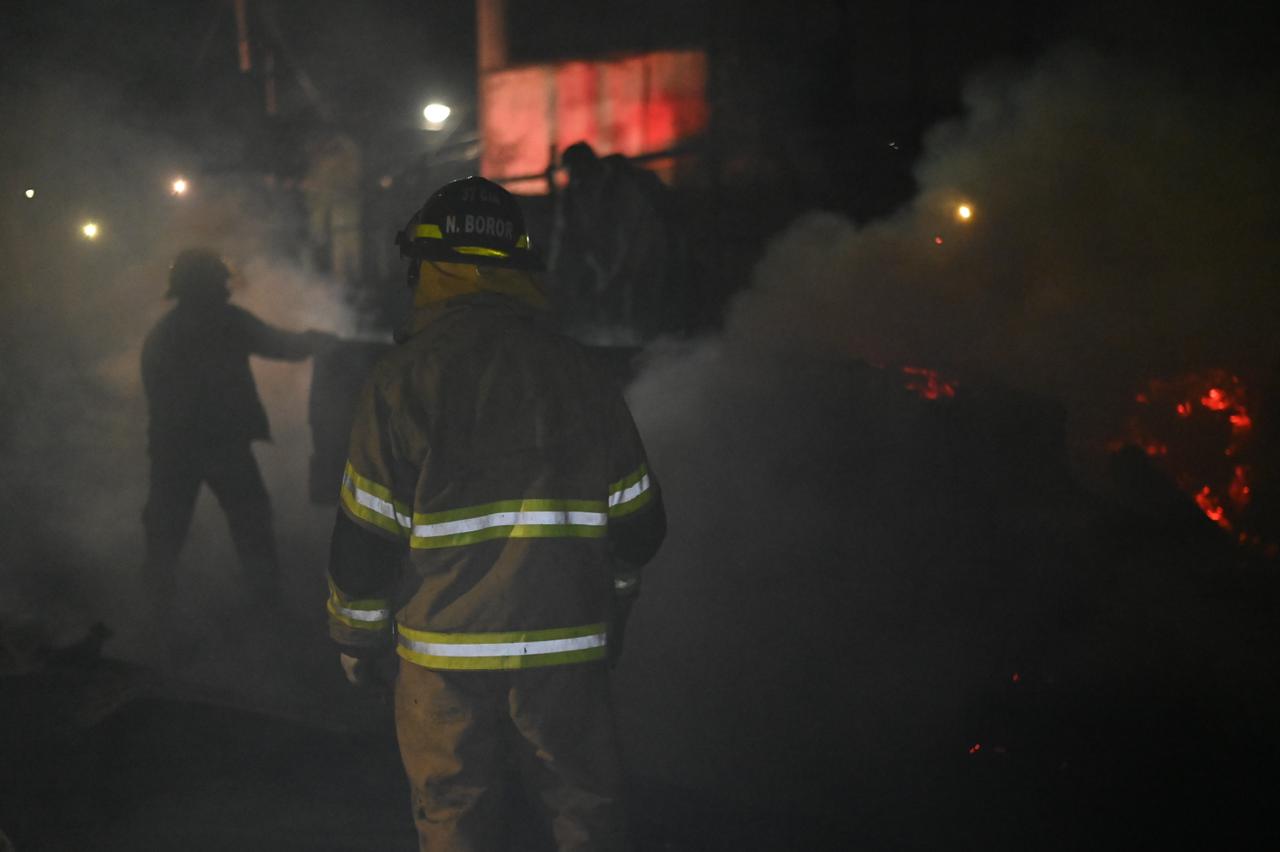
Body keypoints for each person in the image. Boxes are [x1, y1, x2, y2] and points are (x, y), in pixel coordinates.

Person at [326, 176, 666, 851]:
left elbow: (365, 539)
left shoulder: (400, 380)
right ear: (520, 267)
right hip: (566, 647)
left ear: (425, 267)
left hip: (442, 659)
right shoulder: (580, 371)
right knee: (587, 811)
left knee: (454, 816)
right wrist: (616, 601)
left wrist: (355, 638)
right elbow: (640, 525)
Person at [141, 248, 334, 620]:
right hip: (223, 444)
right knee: (251, 524)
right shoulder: (226, 322)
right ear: (210, 284)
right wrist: (319, 341)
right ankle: (267, 610)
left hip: (174, 449)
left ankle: (156, 615)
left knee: (165, 535)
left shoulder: (163, 334)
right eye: (219, 280)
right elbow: (281, 345)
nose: (225, 287)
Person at [549, 141, 684, 344]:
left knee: (640, 307)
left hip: (646, 256)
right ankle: (615, 346)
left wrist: (618, 277)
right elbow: (565, 239)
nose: (576, 179)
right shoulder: (573, 195)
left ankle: (644, 351)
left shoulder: (621, 188)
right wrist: (555, 277)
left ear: (591, 166)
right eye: (572, 173)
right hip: (607, 263)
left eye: (579, 171)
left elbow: (636, 236)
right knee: (608, 308)